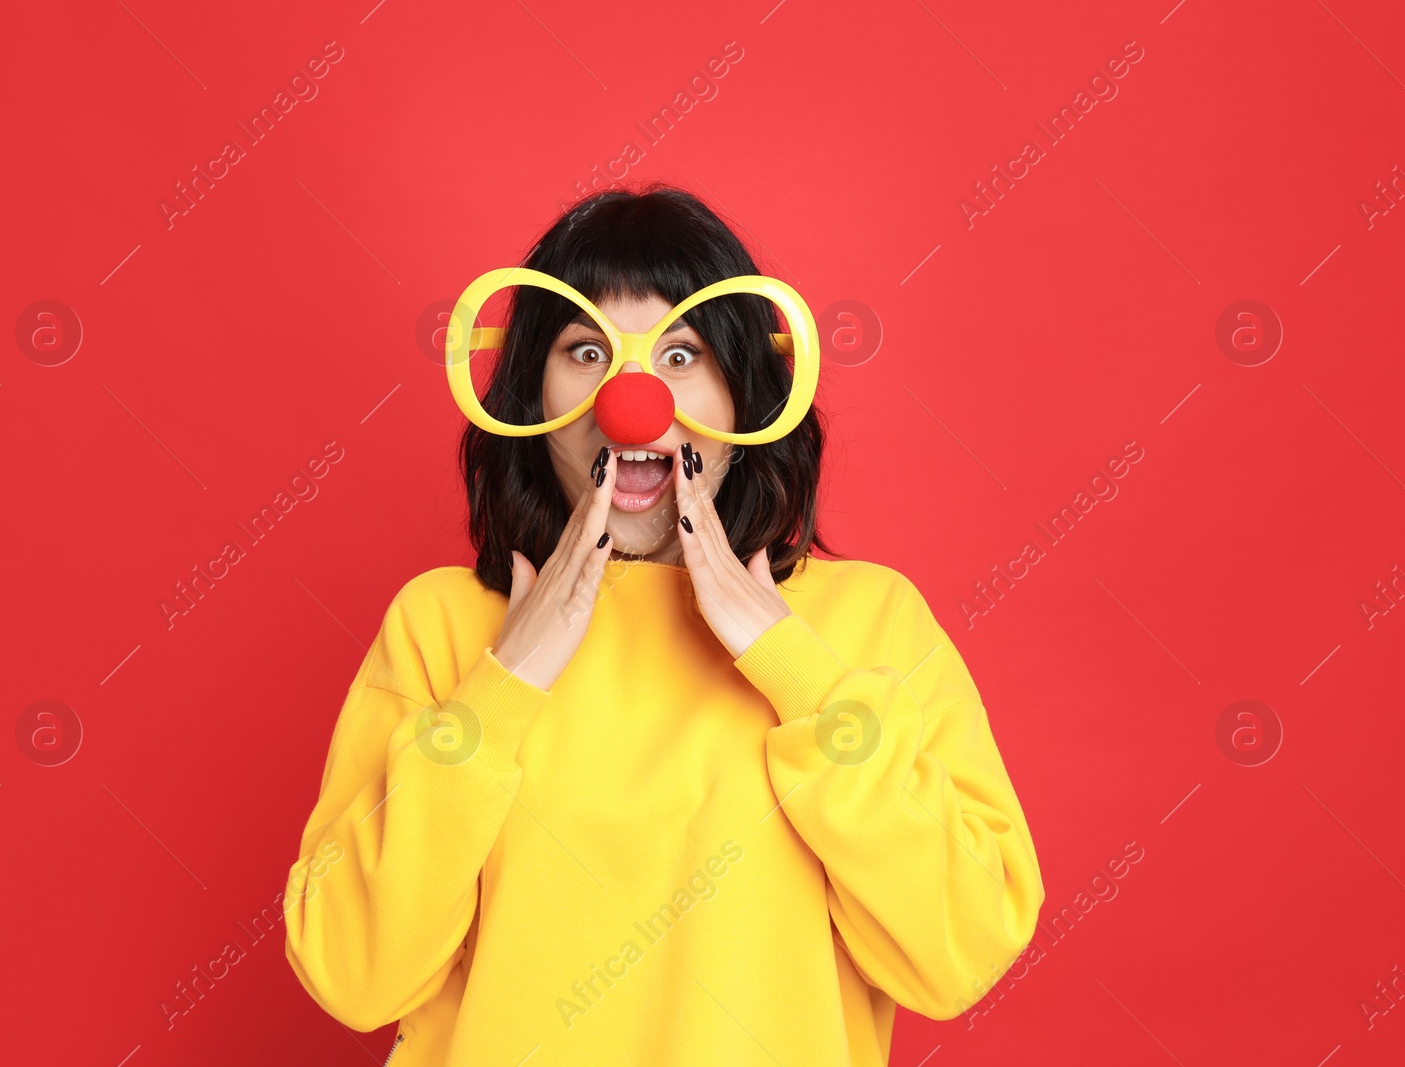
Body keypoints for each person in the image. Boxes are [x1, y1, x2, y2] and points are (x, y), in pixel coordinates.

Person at [283, 184, 1044, 1066]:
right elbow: (350, 972)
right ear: (532, 392)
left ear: (746, 392)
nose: (631, 394)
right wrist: (505, 684)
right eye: (587, 349)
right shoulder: (442, 625)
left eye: (680, 354)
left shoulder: (869, 623)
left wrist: (792, 667)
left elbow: (964, 949)